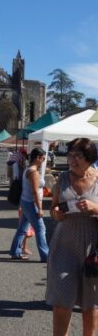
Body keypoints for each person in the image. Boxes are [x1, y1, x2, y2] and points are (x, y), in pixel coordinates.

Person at [46, 138, 98, 336]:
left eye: (78, 156)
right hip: (64, 245)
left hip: (93, 247)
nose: (72, 160)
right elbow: (53, 208)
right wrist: (55, 214)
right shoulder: (63, 178)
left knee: (90, 304)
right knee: (61, 301)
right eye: (70, 155)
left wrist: (95, 208)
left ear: (90, 157)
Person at [9, 147, 49, 262]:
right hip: (31, 203)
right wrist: (40, 208)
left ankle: (15, 252)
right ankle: (46, 255)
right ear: (38, 158)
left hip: (25, 201)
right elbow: (35, 191)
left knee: (22, 228)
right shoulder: (33, 172)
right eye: (42, 158)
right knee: (41, 229)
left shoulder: (28, 169)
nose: (43, 161)